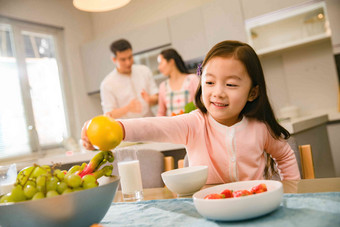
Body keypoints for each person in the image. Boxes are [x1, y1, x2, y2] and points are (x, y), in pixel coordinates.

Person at [82, 40, 300, 184]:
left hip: (255, 205)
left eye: (231, 85)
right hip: (208, 211)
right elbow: (153, 126)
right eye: (210, 82)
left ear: (252, 93)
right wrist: (115, 128)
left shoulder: (259, 128)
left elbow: (285, 155)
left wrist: (293, 192)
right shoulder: (194, 123)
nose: (218, 93)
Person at [100, 39, 159, 119]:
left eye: (130, 57)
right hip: (128, 127)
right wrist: (128, 108)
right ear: (114, 59)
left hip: (150, 120)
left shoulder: (144, 71)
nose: (128, 62)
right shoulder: (107, 84)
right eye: (123, 60)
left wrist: (150, 99)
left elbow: (157, 97)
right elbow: (109, 115)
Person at [157, 48, 199, 116]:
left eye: (161, 63)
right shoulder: (163, 86)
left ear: (171, 62)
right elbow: (161, 113)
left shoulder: (192, 79)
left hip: (192, 124)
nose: (159, 68)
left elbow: (201, 104)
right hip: (173, 126)